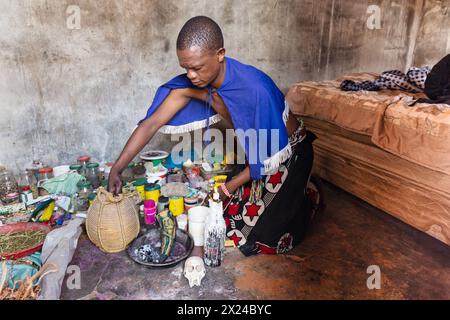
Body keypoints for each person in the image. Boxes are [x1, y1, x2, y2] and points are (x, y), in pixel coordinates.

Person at [108, 16, 321, 256]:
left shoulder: (255, 89)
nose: (190, 75)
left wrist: (229, 186)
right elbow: (151, 123)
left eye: (197, 67)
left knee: (256, 237)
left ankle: (306, 196)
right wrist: (117, 168)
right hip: (257, 151)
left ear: (220, 54)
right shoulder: (193, 84)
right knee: (225, 214)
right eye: (185, 68)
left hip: (287, 153)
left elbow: (269, 153)